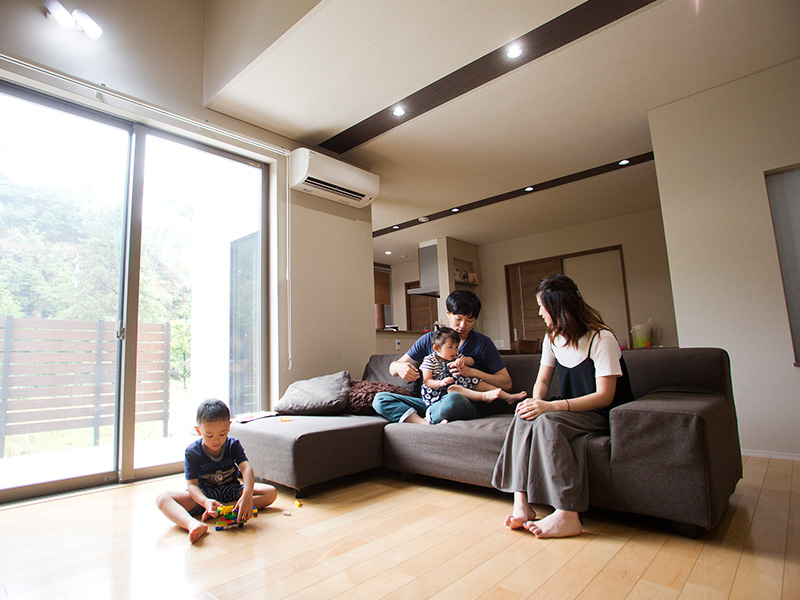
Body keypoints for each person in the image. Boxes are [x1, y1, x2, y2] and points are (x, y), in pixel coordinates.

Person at [492, 274, 633, 538]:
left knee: (547, 421)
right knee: (524, 414)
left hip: (600, 413)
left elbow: (605, 396)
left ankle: (567, 514)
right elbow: (543, 381)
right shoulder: (552, 338)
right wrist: (536, 402)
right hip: (571, 411)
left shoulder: (601, 339)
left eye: (542, 306)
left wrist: (552, 408)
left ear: (557, 308)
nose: (539, 312)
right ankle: (521, 503)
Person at [373, 289, 515, 425]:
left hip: (462, 402)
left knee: (454, 398)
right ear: (448, 313)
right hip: (430, 403)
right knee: (380, 399)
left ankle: (424, 419)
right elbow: (392, 369)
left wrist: (472, 372)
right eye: (458, 319)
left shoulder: (483, 344)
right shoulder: (429, 340)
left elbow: (507, 384)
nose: (463, 325)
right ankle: (424, 422)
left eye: (470, 320)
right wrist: (399, 367)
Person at [156, 398, 277, 543]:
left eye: (222, 434)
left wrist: (247, 495)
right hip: (205, 495)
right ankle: (193, 524)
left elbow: (246, 468)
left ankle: (227, 509)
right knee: (162, 498)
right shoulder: (192, 452)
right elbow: (192, 486)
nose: (216, 440)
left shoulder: (233, 445)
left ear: (229, 427)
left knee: (270, 493)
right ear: (198, 431)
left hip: (231, 491)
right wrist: (205, 502)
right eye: (209, 435)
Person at [420, 325, 526, 417]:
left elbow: (471, 361)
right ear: (436, 348)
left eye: (456, 347)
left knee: (477, 382)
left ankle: (508, 397)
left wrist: (463, 360)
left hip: (456, 383)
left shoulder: (455, 357)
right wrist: (440, 383)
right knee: (454, 389)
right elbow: (427, 381)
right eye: (450, 347)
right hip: (437, 393)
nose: (454, 351)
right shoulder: (429, 360)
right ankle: (483, 396)